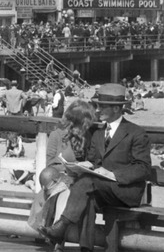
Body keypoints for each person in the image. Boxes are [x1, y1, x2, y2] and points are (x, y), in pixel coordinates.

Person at [39, 84, 152, 252]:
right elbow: (93, 160)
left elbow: (142, 168)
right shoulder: (99, 133)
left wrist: (112, 174)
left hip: (126, 190)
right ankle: (85, 248)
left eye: (102, 106)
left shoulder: (136, 133)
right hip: (101, 188)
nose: (98, 110)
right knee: (87, 195)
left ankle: (61, 226)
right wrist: (86, 165)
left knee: (87, 183)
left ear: (116, 108)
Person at [29, 100, 96, 250]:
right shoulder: (56, 134)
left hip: (78, 179)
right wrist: (65, 166)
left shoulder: (87, 136)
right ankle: (58, 239)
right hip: (60, 177)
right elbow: (50, 161)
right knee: (63, 190)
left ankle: (57, 238)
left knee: (69, 190)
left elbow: (90, 160)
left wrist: (82, 166)